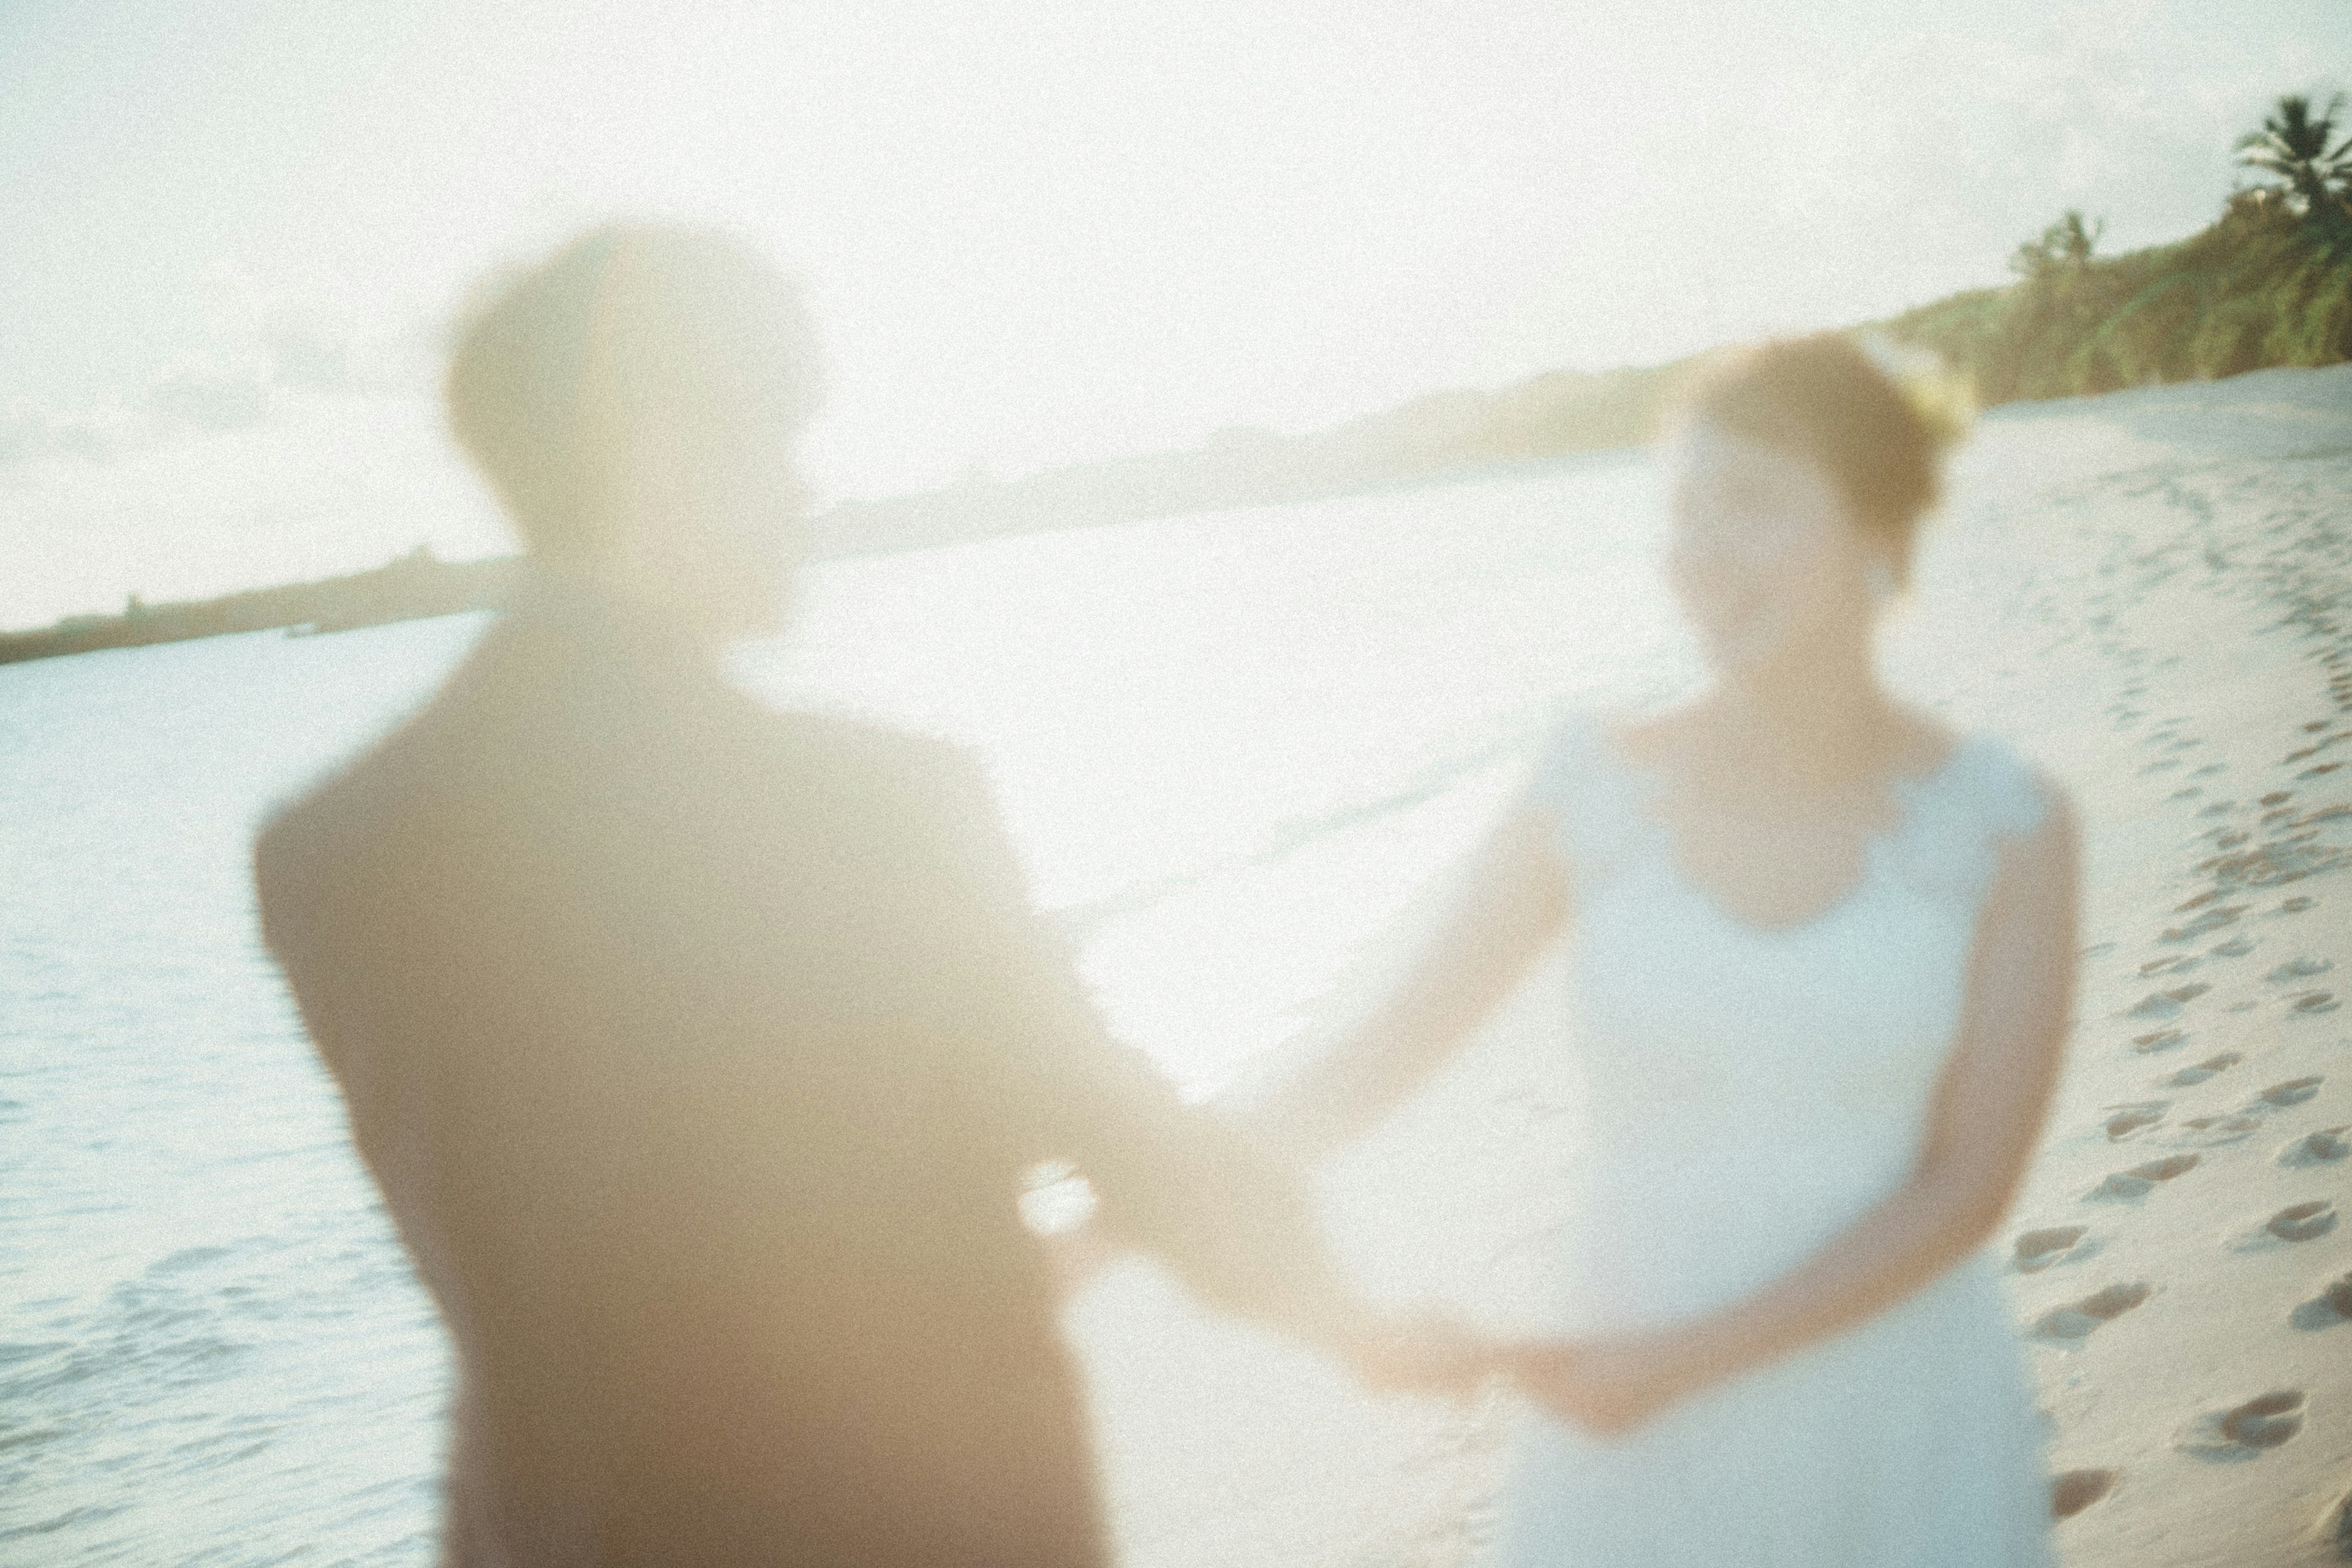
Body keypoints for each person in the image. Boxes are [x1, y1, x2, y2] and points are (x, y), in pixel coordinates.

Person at [252, 224, 1391, 1568]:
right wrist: (1379, 1332)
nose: (805, 498)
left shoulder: (329, 850)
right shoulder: (875, 808)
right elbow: (1134, 1143)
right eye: (778, 443)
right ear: (668, 445)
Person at [1234, 334, 2076, 1565]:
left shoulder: (2008, 826)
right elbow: (1382, 1045)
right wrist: (1132, 1193)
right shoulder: (1589, 792)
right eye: (1684, 512)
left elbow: (1968, 1188)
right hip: (1629, 1424)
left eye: (1750, 504)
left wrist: (1684, 1356)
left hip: (1897, 1409)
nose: (1699, 556)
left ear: (1874, 526)